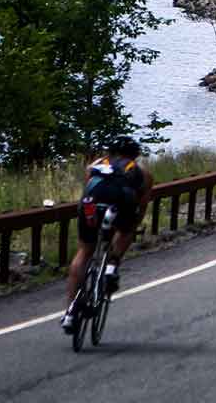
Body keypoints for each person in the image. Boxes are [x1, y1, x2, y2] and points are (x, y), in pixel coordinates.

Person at [61, 137, 153, 334]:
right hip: (121, 205)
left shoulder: (94, 166)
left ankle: (70, 311)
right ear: (135, 155)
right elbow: (142, 204)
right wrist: (134, 227)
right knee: (126, 230)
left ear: (109, 152)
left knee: (85, 251)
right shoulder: (141, 172)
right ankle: (111, 265)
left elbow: (87, 190)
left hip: (91, 205)